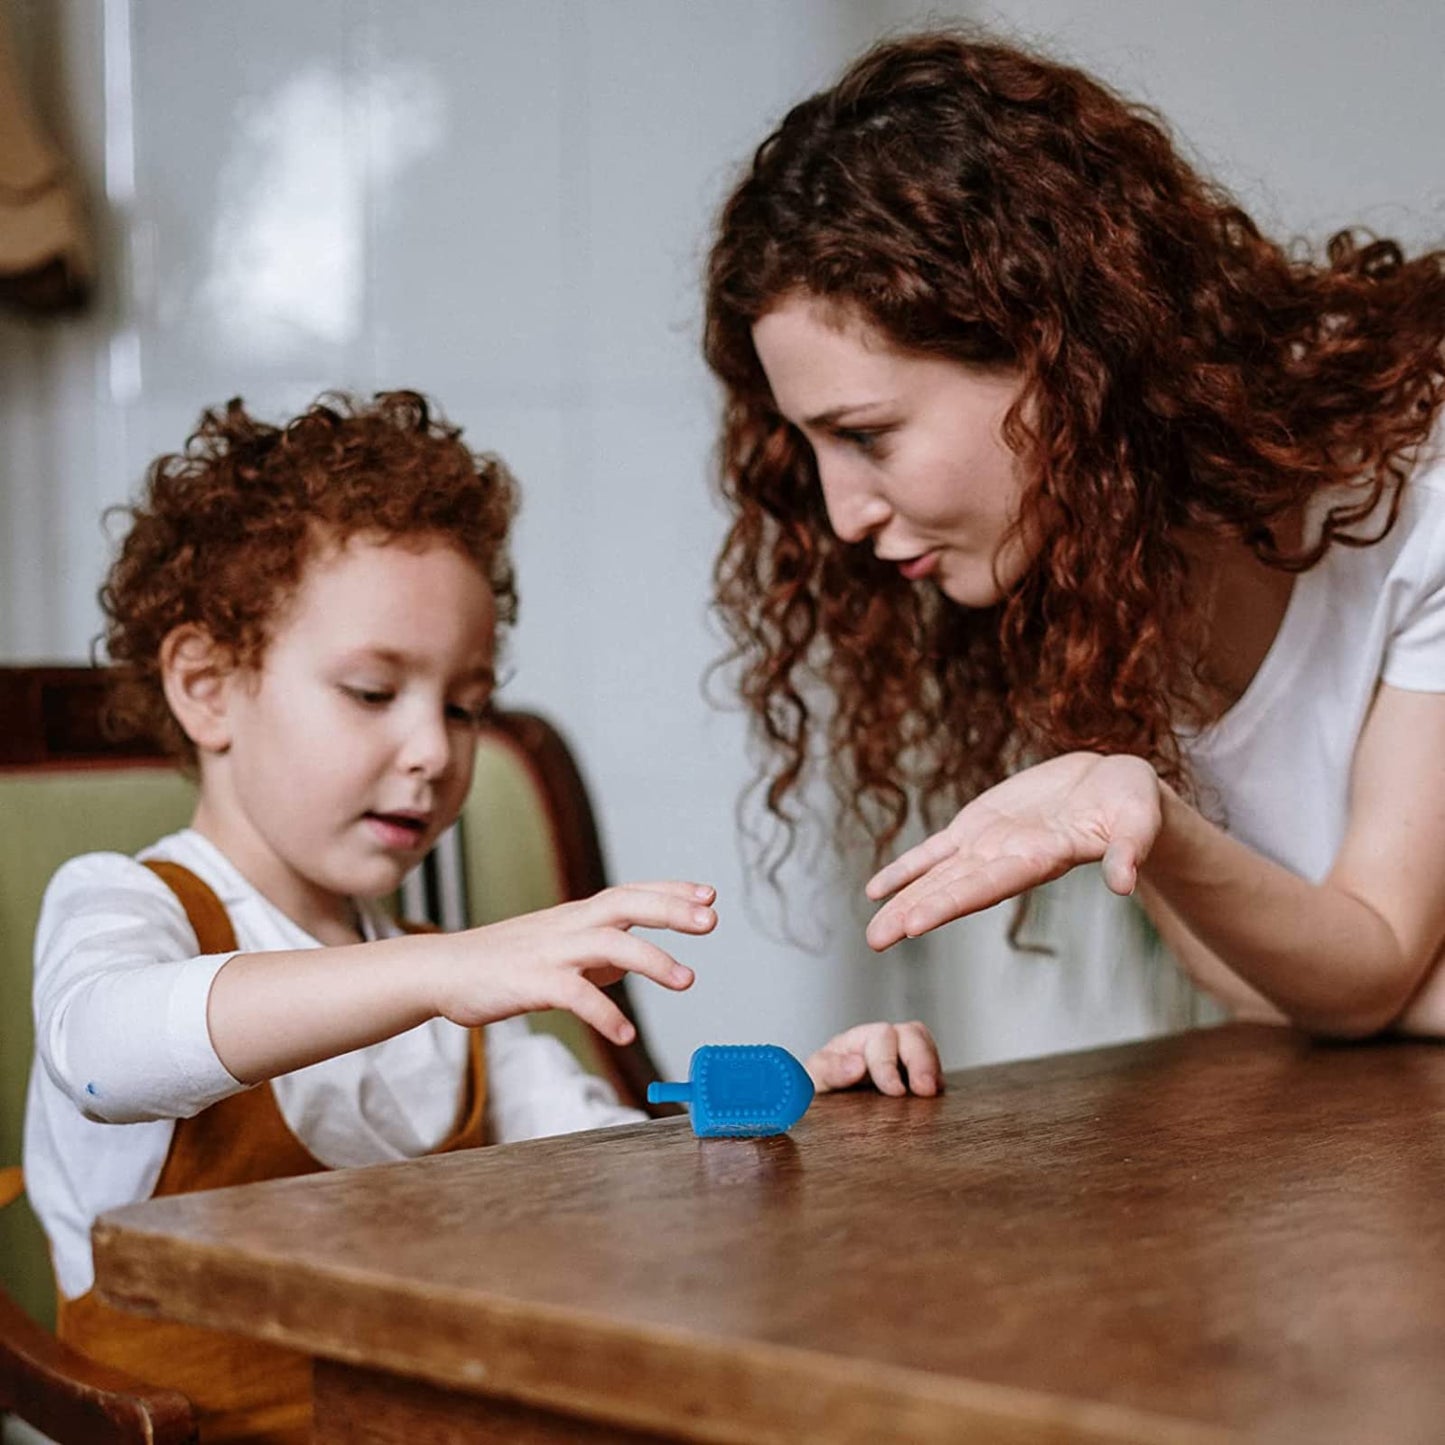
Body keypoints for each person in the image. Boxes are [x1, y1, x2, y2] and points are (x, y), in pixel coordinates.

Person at [24, 390, 941, 1444]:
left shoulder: (443, 981)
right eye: (373, 691)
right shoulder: (128, 900)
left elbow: (612, 1173)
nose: (433, 750)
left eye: (463, 705)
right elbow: (102, 1057)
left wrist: (787, 1113)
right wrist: (442, 971)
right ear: (207, 686)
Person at [703, 30, 1445, 1041]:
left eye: (866, 435)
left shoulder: (1420, 494)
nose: (842, 515)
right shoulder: (1082, 585)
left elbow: (1362, 970)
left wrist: (1162, 822)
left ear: (1056, 361)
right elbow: (1266, 986)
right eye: (810, 446)